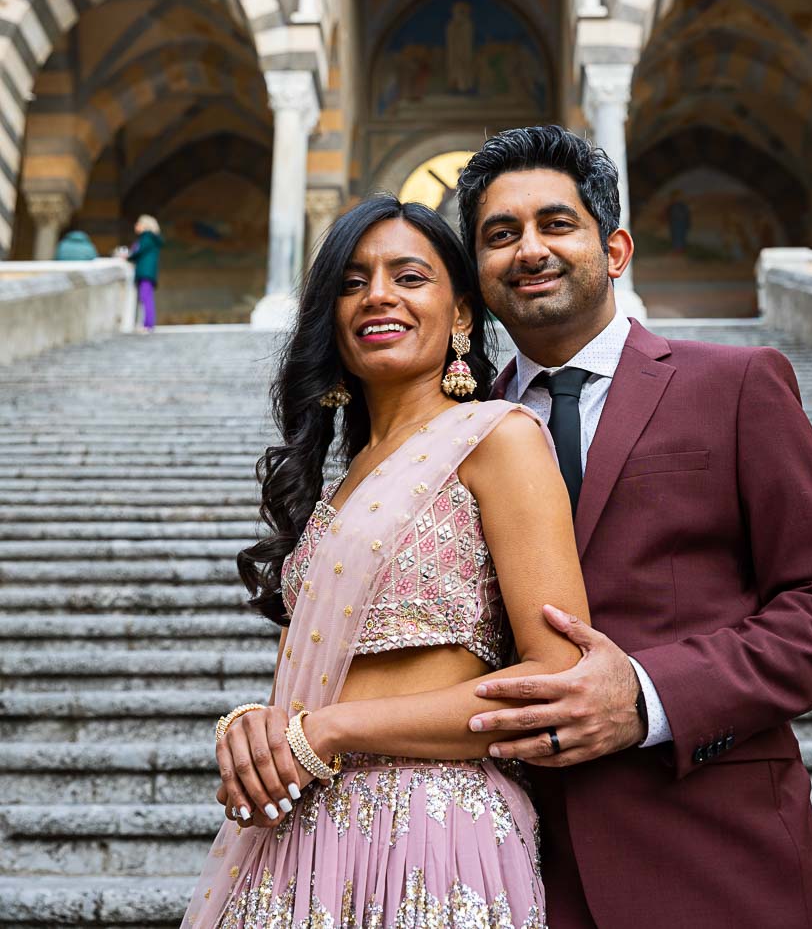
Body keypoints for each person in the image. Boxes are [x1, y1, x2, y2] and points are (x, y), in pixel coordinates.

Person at [454, 124, 812, 929]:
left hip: (717, 856)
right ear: (476, 272)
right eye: (498, 236)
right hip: (515, 870)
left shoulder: (737, 385)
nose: (527, 250)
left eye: (555, 223)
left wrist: (646, 698)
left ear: (614, 250)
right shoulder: (458, 431)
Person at [181, 195, 590, 929]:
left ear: (460, 315)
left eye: (409, 276)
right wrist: (254, 728)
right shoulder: (339, 483)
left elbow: (555, 679)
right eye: (351, 281)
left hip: (436, 829)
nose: (377, 295)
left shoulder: (498, 439)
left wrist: (330, 732)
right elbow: (305, 683)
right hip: (300, 833)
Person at [128, 214, 163, 332]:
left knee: (145, 297)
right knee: (147, 297)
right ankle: (148, 324)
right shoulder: (151, 238)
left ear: (145, 225)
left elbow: (136, 252)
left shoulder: (147, 237)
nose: (136, 226)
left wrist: (127, 256)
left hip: (145, 272)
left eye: (138, 223)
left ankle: (148, 325)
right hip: (148, 272)